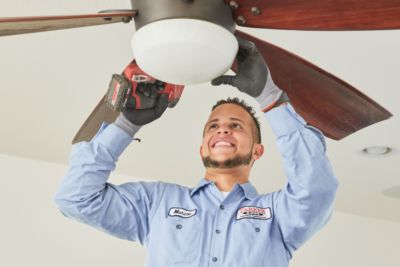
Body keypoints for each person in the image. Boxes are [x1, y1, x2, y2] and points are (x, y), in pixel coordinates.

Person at [54, 38, 338, 267]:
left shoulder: (276, 215)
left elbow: (316, 189)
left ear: (257, 150)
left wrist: (271, 98)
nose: (222, 131)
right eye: (213, 126)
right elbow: (75, 198)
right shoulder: (156, 204)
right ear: (202, 148)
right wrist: (126, 124)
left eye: (236, 126)